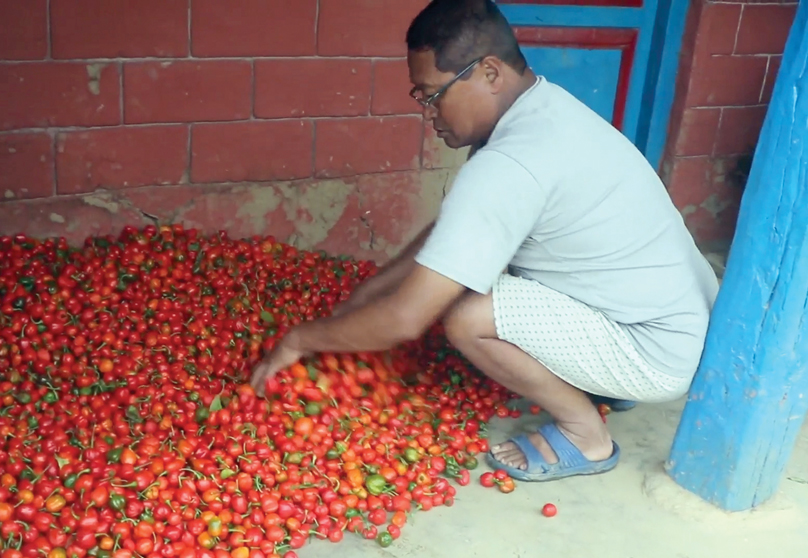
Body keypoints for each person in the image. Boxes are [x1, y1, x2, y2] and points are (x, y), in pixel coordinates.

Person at [249, 0, 719, 482]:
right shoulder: (545, 106)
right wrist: (365, 297)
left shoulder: (509, 163)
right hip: (683, 315)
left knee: (466, 316)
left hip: (656, 352)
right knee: (478, 278)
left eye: (434, 95)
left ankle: (585, 433)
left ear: (490, 73)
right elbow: (454, 234)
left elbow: (407, 319)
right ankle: (599, 379)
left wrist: (300, 339)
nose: (428, 113)